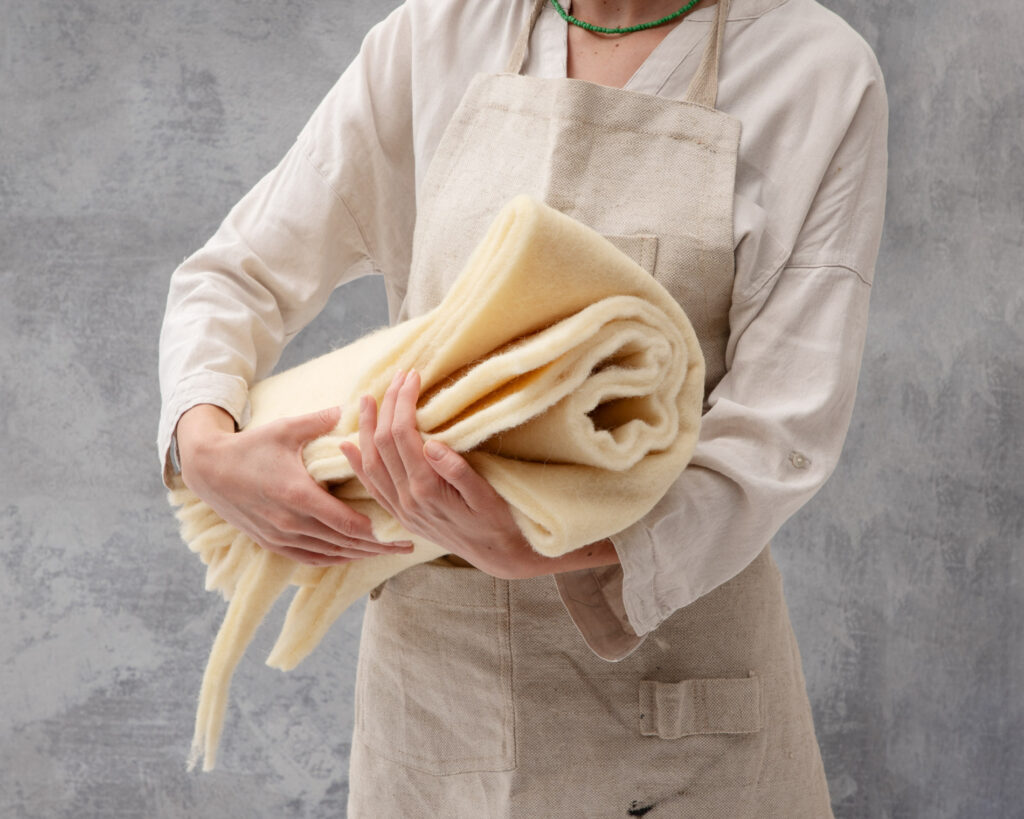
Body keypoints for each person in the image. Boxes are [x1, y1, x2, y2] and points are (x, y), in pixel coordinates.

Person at [159, 0, 887, 814]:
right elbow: (236, 274)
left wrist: (545, 543)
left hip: (674, 713)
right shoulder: (432, 39)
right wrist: (206, 447)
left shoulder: (816, 73)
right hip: (433, 717)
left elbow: (778, 434)